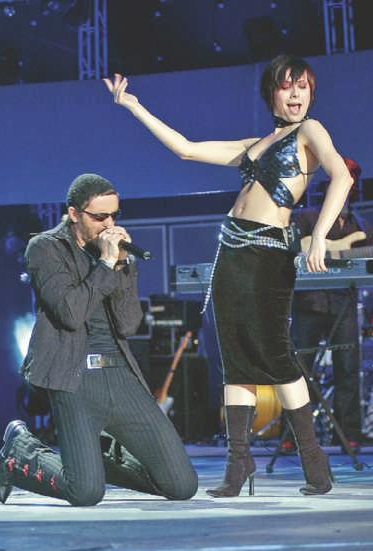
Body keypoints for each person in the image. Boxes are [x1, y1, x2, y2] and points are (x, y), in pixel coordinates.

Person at [104, 54, 353, 497]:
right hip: (231, 252)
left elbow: (342, 178)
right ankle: (239, 462)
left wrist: (318, 235)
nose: (296, 94)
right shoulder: (256, 143)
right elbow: (186, 148)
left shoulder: (310, 131)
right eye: (288, 86)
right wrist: (133, 107)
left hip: (268, 252)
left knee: (275, 355)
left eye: (303, 86)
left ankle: (314, 460)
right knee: (236, 359)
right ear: (271, 93)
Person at [0, 173, 198, 507]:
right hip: (73, 376)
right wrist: (105, 263)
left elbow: (128, 324)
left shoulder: (116, 256)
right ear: (74, 214)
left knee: (181, 485)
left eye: (114, 215)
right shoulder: (45, 248)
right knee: (85, 492)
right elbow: (70, 313)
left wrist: (123, 267)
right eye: (100, 216)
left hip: (119, 373)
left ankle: (97, 453)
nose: (109, 224)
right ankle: (19, 453)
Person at [292, 158, 371, 451]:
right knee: (300, 371)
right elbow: (293, 249)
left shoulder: (359, 224)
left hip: (343, 303)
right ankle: (294, 435)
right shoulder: (307, 217)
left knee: (347, 369)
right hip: (309, 303)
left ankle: (347, 433)